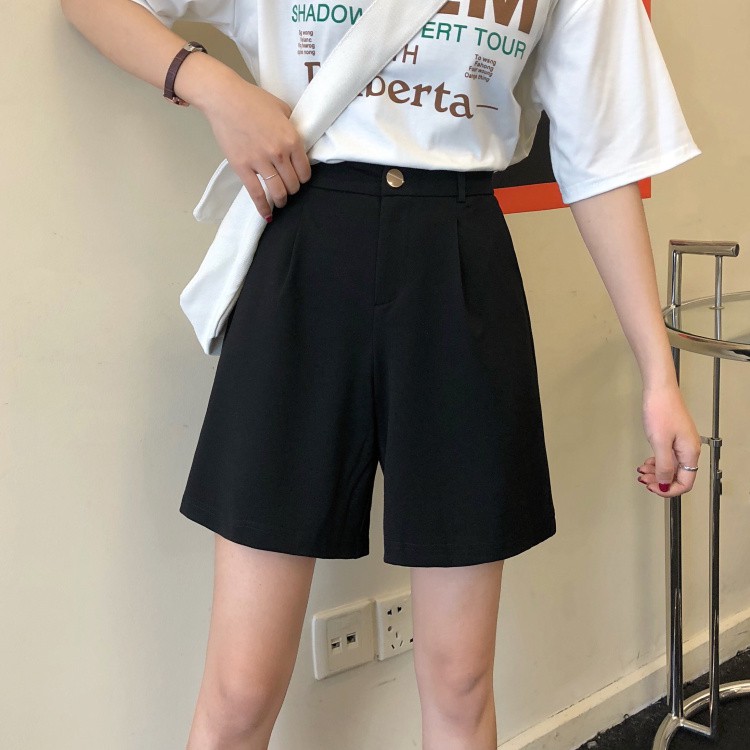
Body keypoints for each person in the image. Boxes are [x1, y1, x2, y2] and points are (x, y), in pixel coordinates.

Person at [60, 1, 704, 748]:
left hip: (459, 270)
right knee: (240, 690)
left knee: (461, 682)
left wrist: (658, 375)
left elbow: (602, 161)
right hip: (304, 254)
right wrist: (213, 86)